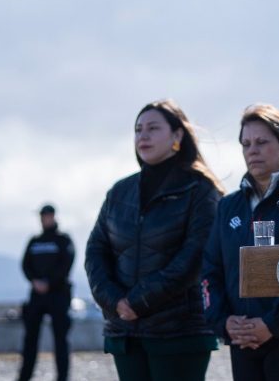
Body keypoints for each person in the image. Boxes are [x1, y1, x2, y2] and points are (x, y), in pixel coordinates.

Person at [86, 99, 224, 381]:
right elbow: (95, 251)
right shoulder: (119, 192)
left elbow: (194, 256)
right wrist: (115, 302)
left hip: (178, 331)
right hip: (125, 332)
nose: (143, 135)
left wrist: (139, 301)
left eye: (152, 128)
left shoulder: (200, 190)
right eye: (138, 129)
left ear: (177, 136)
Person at [202, 104, 279, 381]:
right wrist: (225, 323)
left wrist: (272, 324)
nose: (253, 150)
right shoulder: (228, 206)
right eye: (246, 144)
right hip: (241, 340)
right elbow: (210, 270)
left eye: (262, 142)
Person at [18, 204, 75, 381]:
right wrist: (35, 281)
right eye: (42, 216)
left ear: (53, 216)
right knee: (30, 340)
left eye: (47, 215)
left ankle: (62, 378)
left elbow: (66, 264)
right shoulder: (34, 241)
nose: (44, 219)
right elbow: (25, 264)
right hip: (37, 296)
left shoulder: (63, 240)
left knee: (60, 339)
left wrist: (49, 282)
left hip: (58, 294)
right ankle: (24, 377)